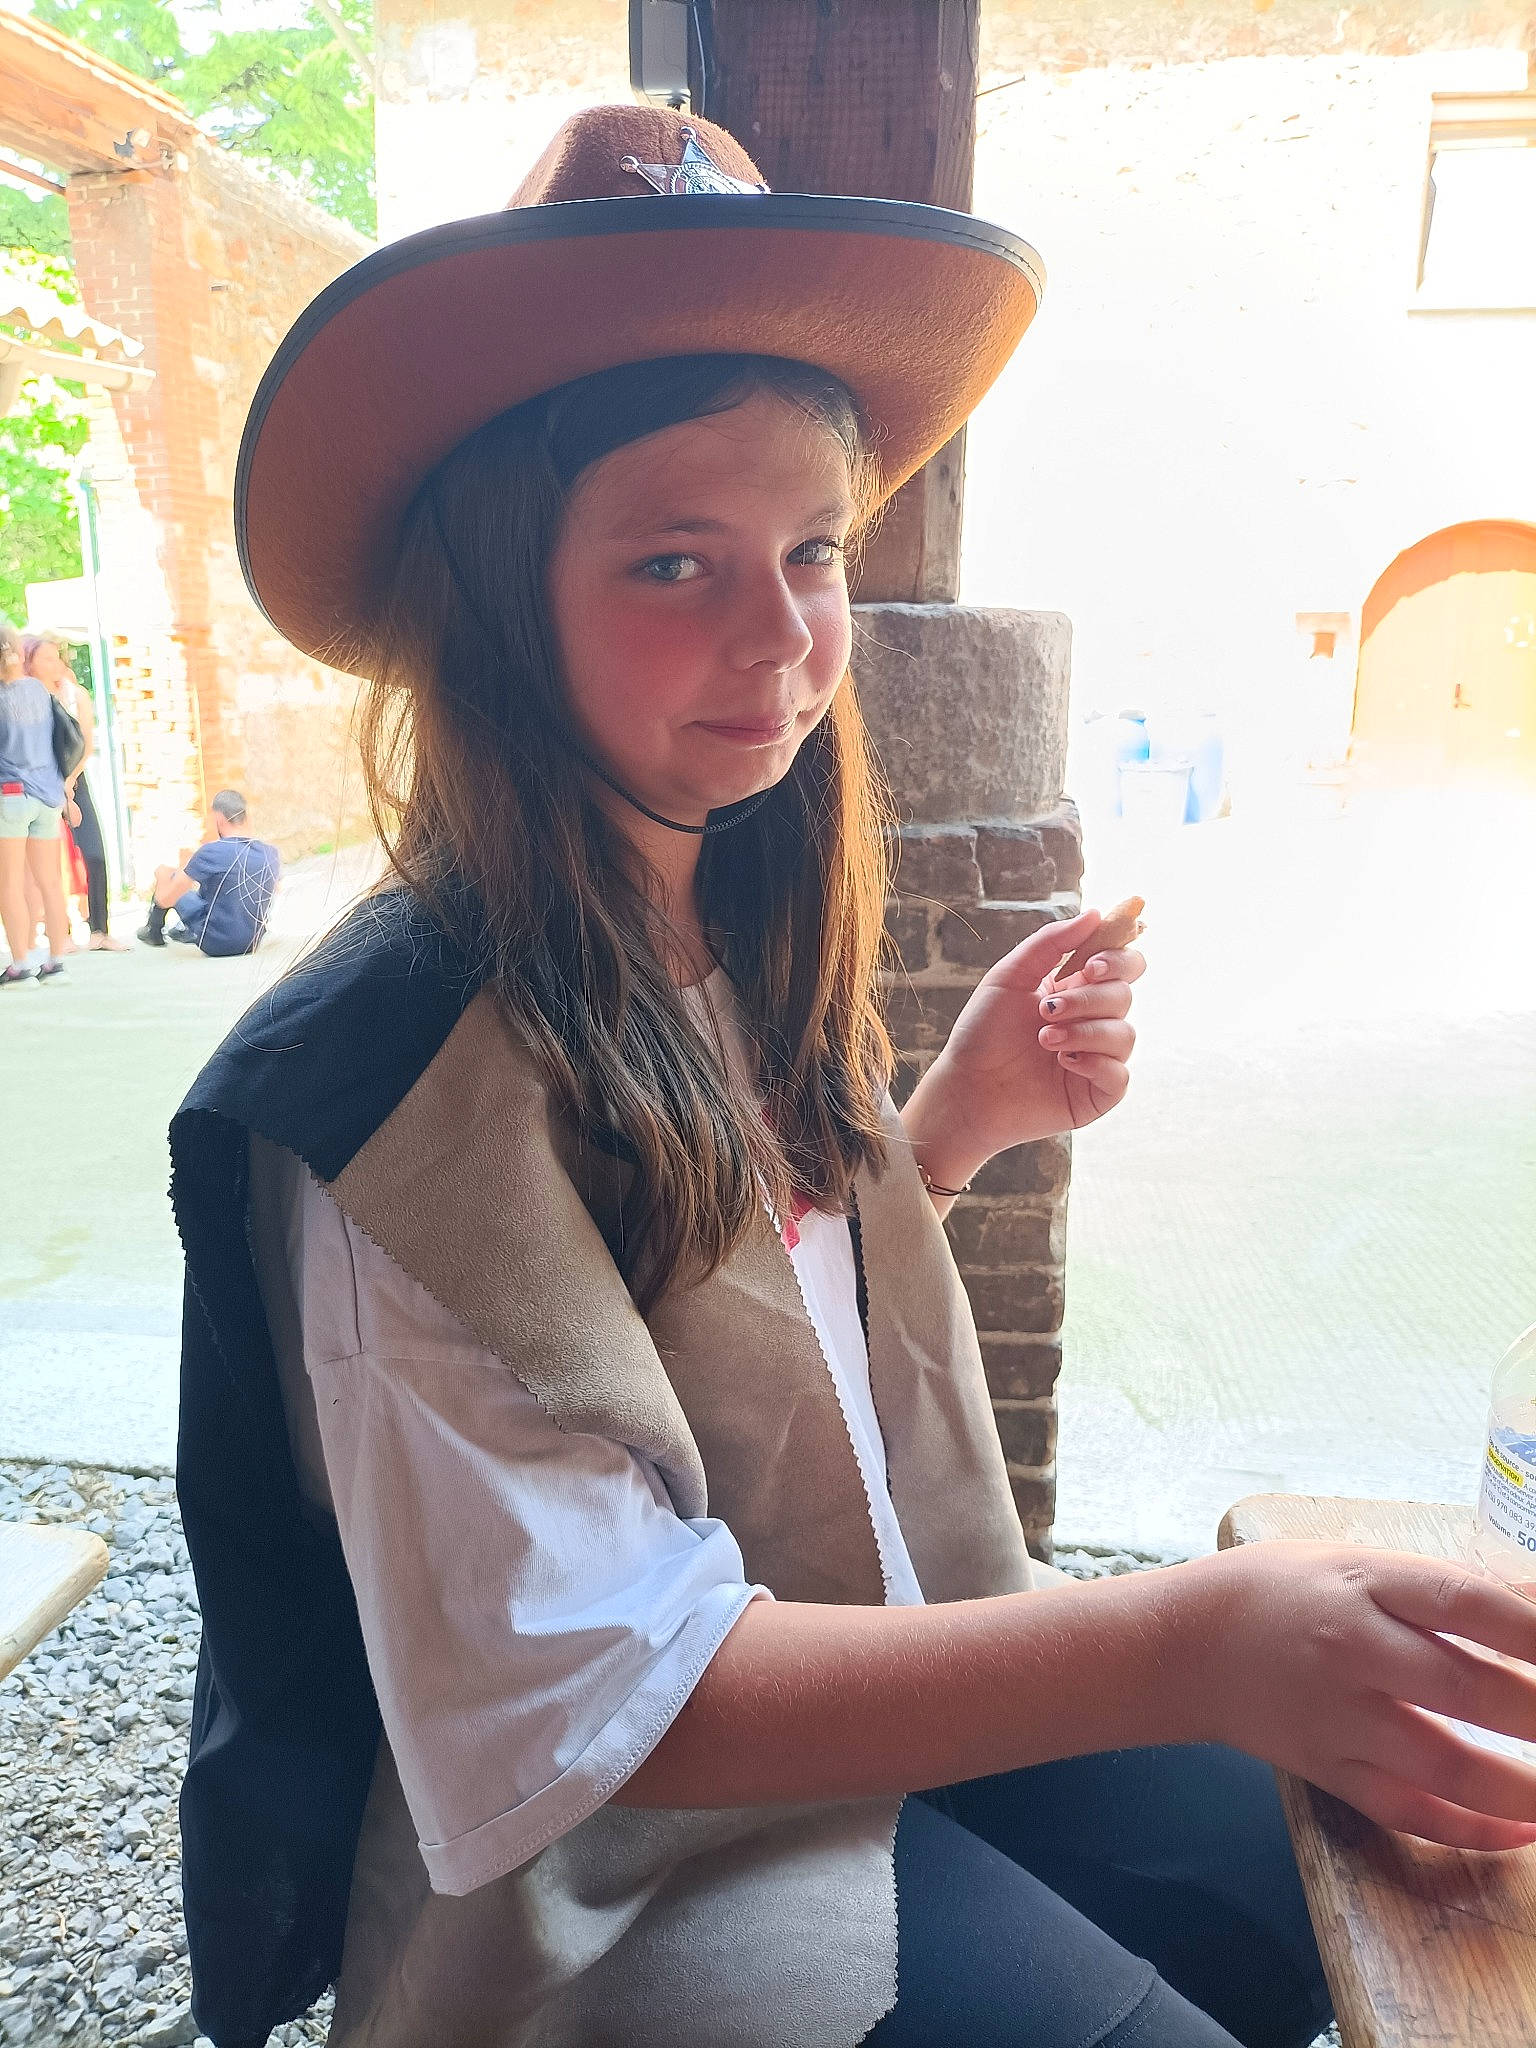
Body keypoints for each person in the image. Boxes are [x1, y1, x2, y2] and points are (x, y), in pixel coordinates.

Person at [169, 108, 1536, 2048]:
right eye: (672, 561)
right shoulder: (397, 1096)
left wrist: (953, 1127)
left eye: (811, 549)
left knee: (1325, 1868)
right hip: (608, 1875)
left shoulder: (719, 901)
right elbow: (598, 1700)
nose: (783, 635)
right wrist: (1199, 1633)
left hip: (859, 1679)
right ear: (494, 594)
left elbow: (717, 1308)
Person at [22, 633, 129, 951]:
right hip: (39, 784)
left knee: (93, 851)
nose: (55, 665)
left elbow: (85, 744)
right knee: (48, 859)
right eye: (46, 659)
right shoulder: (23, 697)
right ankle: (60, 933)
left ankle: (99, 930)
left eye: (57, 657)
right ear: (31, 663)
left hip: (74, 781)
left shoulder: (74, 693)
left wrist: (68, 782)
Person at [0, 616, 70, 985]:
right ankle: (56, 960)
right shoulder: (38, 691)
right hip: (48, 795)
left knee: (9, 882)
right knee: (50, 881)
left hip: (10, 796)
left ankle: (21, 962)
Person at [137, 788, 279, 956]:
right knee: (217, 890)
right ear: (246, 817)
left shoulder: (210, 852)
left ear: (218, 818)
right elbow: (274, 889)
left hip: (215, 943)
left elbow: (165, 899)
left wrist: (162, 877)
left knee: (172, 878)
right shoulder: (270, 852)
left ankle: (153, 933)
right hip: (252, 942)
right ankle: (183, 930)